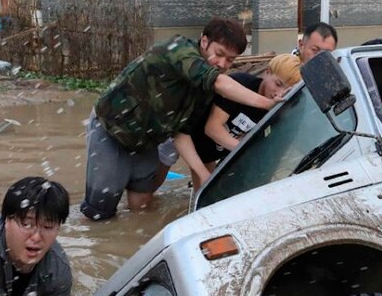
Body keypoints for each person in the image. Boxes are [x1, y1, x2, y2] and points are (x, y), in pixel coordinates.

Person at [81, 17, 282, 220]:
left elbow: (182, 133)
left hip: (148, 139)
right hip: (111, 128)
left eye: (230, 60)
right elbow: (218, 82)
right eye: (219, 54)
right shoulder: (178, 50)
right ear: (204, 42)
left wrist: (203, 175)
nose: (222, 63)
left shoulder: (204, 91)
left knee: (141, 204)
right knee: (99, 213)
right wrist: (267, 103)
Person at [178, 54, 302, 188]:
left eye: (287, 90)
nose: (279, 93)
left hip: (214, 151)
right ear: (267, 72)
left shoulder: (281, 106)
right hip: (185, 136)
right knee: (158, 175)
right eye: (278, 84)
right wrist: (246, 151)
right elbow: (212, 129)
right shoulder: (240, 85)